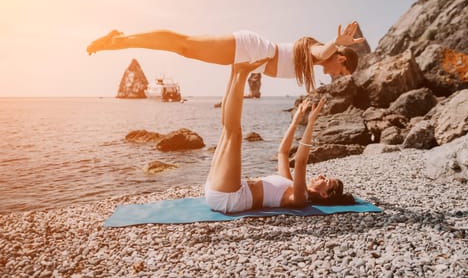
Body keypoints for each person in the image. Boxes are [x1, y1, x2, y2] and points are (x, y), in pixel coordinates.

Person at [204, 59, 354, 213]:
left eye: (326, 181)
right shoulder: (290, 183)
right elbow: (282, 153)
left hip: (229, 198)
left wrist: (310, 123)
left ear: (324, 194)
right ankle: (235, 70)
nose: (322, 176)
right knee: (227, 129)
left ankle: (242, 73)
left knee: (234, 133)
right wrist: (295, 121)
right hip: (222, 190)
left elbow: (301, 162)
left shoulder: (300, 198)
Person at [87, 22, 365, 92]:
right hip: (251, 49)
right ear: (340, 59)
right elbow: (323, 51)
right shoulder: (316, 51)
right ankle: (119, 40)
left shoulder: (313, 61)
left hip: (248, 59)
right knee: (184, 45)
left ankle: (120, 39)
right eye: (341, 72)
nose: (335, 77)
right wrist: (336, 42)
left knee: (186, 49)